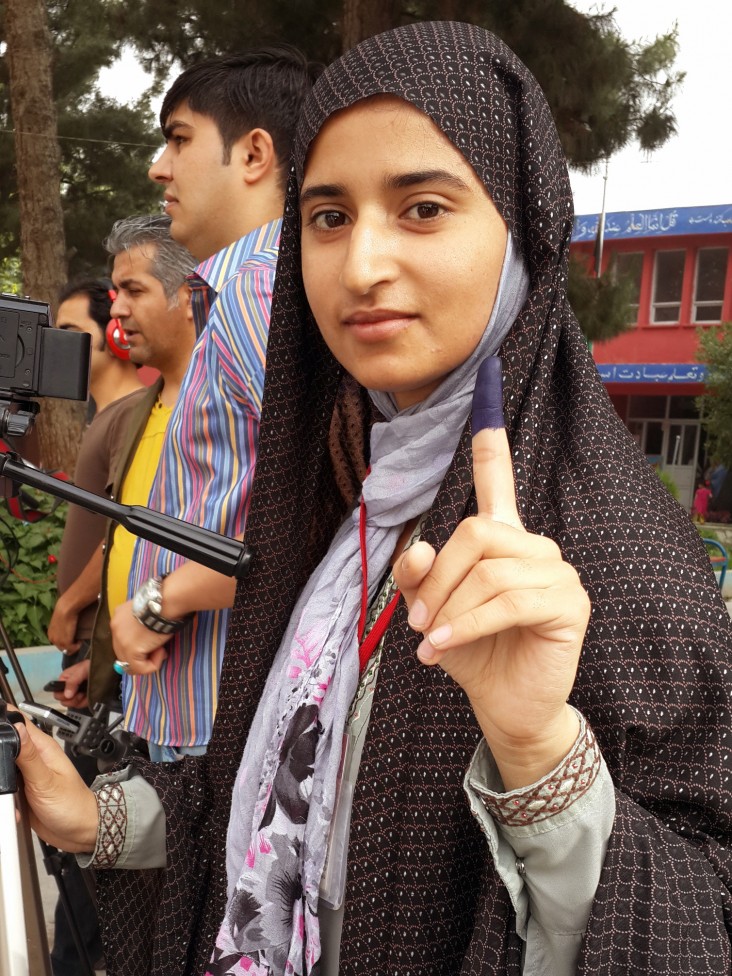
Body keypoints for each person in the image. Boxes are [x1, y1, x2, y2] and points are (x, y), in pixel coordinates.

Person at [16, 22, 732, 976]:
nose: (360, 267)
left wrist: (543, 759)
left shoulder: (621, 559)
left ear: (524, 229)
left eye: (425, 207)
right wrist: (97, 817)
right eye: (327, 217)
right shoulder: (339, 513)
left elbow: (697, 923)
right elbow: (270, 801)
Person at [107, 49, 317, 761]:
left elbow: (311, 518)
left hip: (222, 728)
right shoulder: (244, 290)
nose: (158, 167)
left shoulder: (257, 292)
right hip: (215, 714)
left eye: (178, 138)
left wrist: (157, 603)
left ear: (254, 152)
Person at [59, 215, 197, 712]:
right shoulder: (142, 409)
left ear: (189, 294)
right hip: (139, 688)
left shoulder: (219, 413)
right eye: (115, 292)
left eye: (132, 290)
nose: (116, 308)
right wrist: (102, 665)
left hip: (194, 705)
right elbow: (128, 542)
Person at [47, 276, 145, 976]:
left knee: (84, 869)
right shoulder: (107, 416)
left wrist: (70, 604)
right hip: (97, 662)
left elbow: (124, 537)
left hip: (117, 669)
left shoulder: (133, 415)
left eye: (71, 334)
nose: (57, 351)